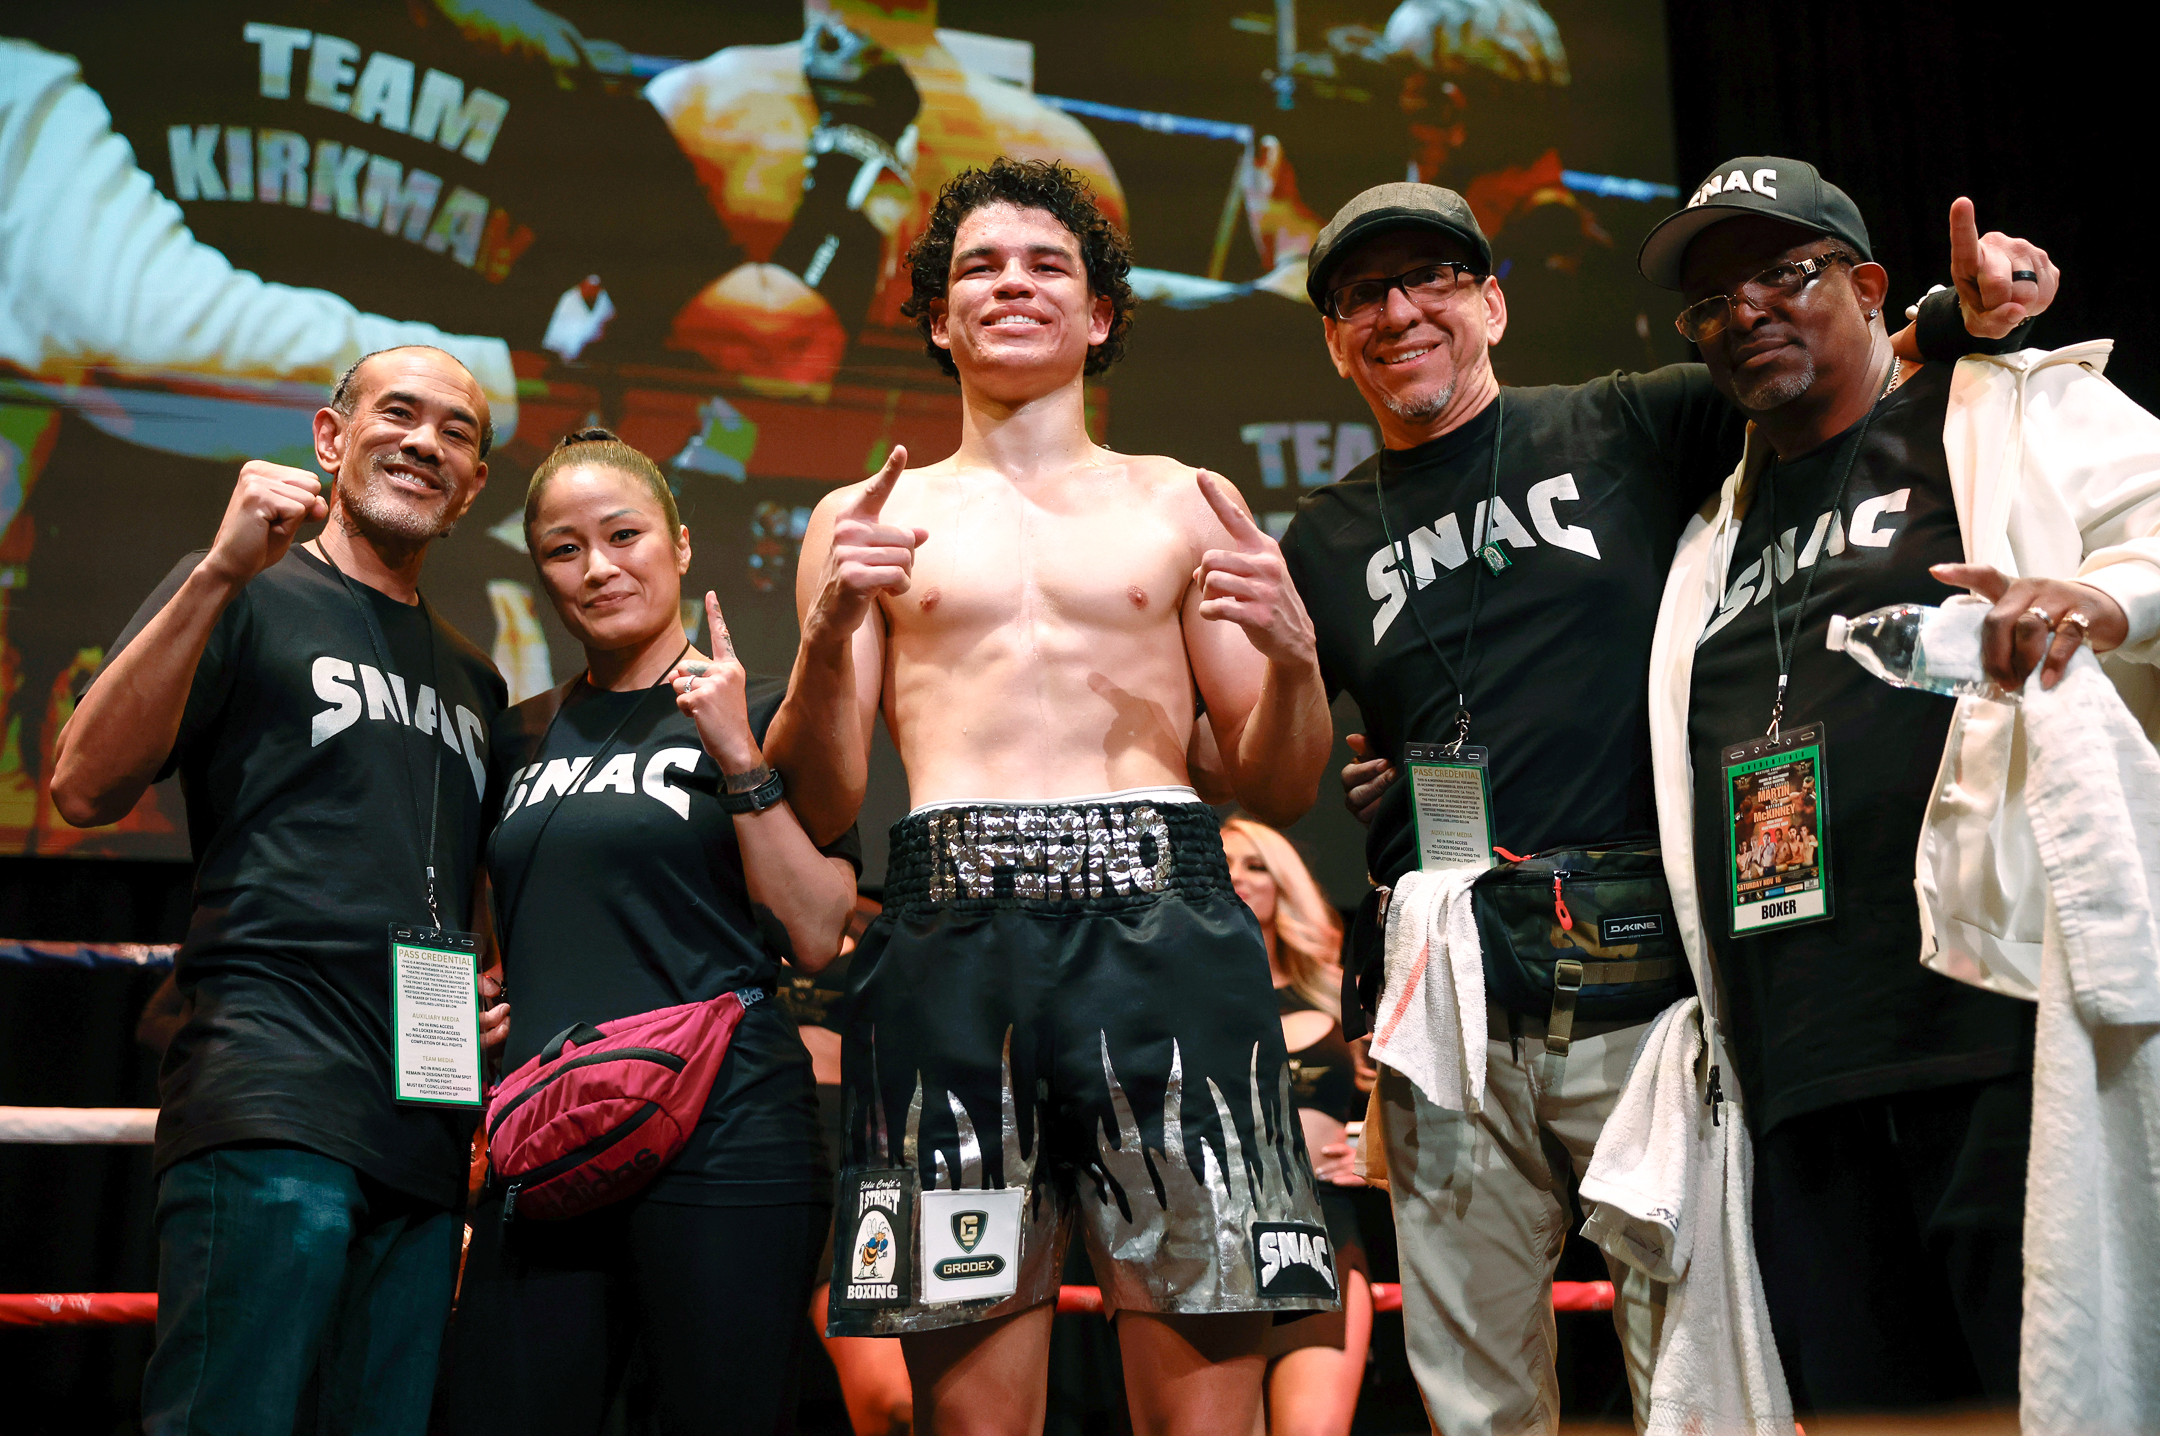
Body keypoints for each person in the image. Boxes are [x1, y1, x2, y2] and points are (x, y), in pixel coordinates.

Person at [1278, 176, 2054, 1434]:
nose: (1399, 311)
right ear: (1332, 336)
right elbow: (1296, 750)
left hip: (1644, 983)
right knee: (1474, 1396)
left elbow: (1832, 359)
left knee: (1700, 1370)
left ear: (1492, 304)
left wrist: (1966, 309)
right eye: (1363, 294)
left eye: (1431, 281)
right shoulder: (1315, 536)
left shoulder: (1620, 424)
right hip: (1451, 993)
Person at [761, 156, 1336, 1435]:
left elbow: (1278, 782)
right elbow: (822, 792)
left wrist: (1298, 662)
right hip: (946, 932)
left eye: (1046, 265)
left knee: (1206, 1413)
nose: (1011, 284)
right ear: (935, 316)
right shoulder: (863, 516)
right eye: (977, 265)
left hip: (1167, 922)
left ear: (1101, 314)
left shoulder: (1186, 501)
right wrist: (823, 629)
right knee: (970, 1417)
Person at [1635, 156, 2160, 1415]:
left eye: (1783, 272)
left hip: (1989, 1022)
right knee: (1873, 1414)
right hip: (1798, 1058)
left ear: (1870, 287)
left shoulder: (2010, 411)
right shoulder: (1711, 533)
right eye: (1711, 299)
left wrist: (2090, 598)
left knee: (2055, 1393)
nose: (1745, 309)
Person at [49, 344, 509, 1436]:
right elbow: (79, 784)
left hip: (427, 1116)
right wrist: (216, 570)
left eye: (456, 430)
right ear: (330, 435)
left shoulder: (477, 675)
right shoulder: (244, 588)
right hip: (273, 1086)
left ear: (475, 484)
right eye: (399, 412)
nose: (424, 441)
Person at [440, 429, 860, 1435]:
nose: (598, 566)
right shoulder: (516, 731)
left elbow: (814, 928)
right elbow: (485, 921)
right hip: (547, 1134)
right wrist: (476, 1008)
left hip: (726, 1128)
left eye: (623, 533)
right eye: (564, 548)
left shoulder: (762, 708)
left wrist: (735, 751)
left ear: (678, 542)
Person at [1221, 816, 1373, 1436]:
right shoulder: (1179, 1001)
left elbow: (1406, 1098)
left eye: (1256, 865)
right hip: (1217, 1237)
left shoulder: (1338, 991)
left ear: (1283, 884)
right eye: (1223, 865)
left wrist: (1369, 1154)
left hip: (1321, 1231)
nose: (1238, 878)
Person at [782, 889, 918, 1436]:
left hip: (858, 1143)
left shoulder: (870, 913)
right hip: (758, 1135)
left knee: (891, 1406)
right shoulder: (721, 899)